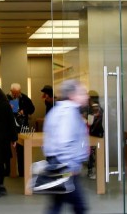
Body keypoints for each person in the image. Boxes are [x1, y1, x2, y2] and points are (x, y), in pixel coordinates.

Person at [43, 80, 90, 214]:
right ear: (72, 95)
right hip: (66, 167)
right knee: (79, 207)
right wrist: (71, 166)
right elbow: (64, 141)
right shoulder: (68, 113)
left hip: (59, 165)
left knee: (56, 204)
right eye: (82, 93)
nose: (86, 96)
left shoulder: (57, 110)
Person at [7, 82, 35, 177]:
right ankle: (10, 171)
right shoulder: (6, 98)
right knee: (10, 149)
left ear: (20, 91)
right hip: (11, 126)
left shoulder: (24, 98)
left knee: (22, 150)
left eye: (17, 92)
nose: (15, 94)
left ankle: (22, 172)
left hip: (23, 126)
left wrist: (25, 111)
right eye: (14, 92)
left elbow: (32, 109)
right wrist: (8, 108)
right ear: (11, 91)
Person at [86, 92, 104, 180]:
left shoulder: (94, 108)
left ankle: (92, 171)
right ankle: (96, 171)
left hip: (94, 134)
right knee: (96, 153)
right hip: (98, 133)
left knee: (92, 154)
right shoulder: (100, 108)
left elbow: (90, 122)